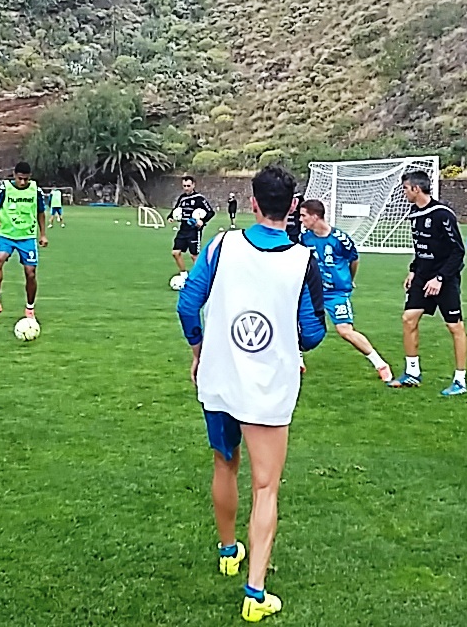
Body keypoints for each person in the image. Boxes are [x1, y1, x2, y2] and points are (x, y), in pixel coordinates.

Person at [177, 165, 326, 623]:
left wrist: (200, 351)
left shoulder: (221, 245)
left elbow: (188, 304)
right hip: (269, 384)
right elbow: (314, 331)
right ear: (294, 207)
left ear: (254, 203)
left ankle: (227, 550)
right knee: (266, 485)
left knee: (225, 462)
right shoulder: (304, 261)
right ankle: (255, 593)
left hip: (220, 378)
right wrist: (291, 345)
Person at [387, 171, 467, 396]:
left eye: (405, 188)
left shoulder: (443, 214)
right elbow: (422, 250)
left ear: (416, 189)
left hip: (445, 278)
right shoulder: (414, 213)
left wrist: (440, 278)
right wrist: (414, 271)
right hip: (423, 276)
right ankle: (412, 373)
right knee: (408, 318)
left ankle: (460, 380)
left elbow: (457, 252)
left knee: (455, 327)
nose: (403, 193)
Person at [299, 199, 392, 383]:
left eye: (304, 216)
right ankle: (298, 359)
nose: (301, 220)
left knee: (345, 330)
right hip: (312, 291)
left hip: (336, 293)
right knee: (296, 320)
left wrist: (349, 280)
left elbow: (354, 260)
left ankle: (380, 364)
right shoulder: (304, 238)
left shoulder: (340, 239)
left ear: (315, 216)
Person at [0, 162, 48, 319]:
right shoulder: (5, 189)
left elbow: (41, 213)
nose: (23, 182)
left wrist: (43, 234)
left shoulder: (35, 191)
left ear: (30, 177)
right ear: (14, 175)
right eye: (20, 179)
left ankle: (30, 309)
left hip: (27, 237)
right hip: (7, 235)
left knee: (30, 273)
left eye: (26, 179)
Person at [167, 176, 216, 279]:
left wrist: (202, 220)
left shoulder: (199, 199)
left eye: (188, 186)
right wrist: (171, 217)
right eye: (184, 186)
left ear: (193, 185)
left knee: (194, 256)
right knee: (175, 252)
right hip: (183, 230)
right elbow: (176, 210)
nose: (186, 188)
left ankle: (202, 278)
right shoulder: (182, 198)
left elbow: (211, 212)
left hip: (194, 231)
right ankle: (184, 275)